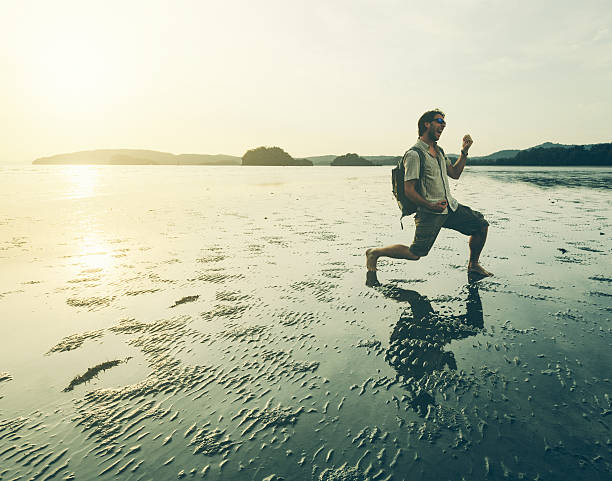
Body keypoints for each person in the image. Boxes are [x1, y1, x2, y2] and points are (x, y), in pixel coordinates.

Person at [366, 109, 492, 282]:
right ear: (427, 124)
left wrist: (464, 152)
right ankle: (375, 253)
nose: (443, 125)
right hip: (429, 212)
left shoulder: (439, 151)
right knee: (416, 253)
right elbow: (409, 189)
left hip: (449, 207)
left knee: (480, 225)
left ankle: (473, 266)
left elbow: (454, 173)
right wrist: (429, 205)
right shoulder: (414, 154)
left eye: (444, 123)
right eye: (439, 121)